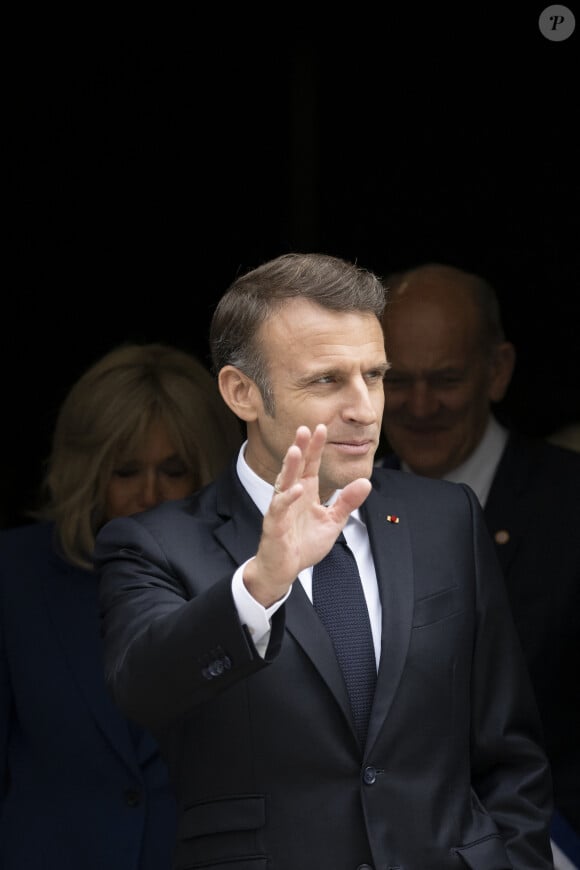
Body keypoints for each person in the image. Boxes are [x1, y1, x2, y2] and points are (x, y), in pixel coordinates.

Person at [95, 253, 555, 869]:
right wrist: (262, 582)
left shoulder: (446, 518)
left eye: (375, 374)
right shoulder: (154, 543)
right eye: (326, 381)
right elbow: (144, 687)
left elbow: (509, 751)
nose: (365, 408)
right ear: (242, 392)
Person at [0, 342, 244, 870]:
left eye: (174, 469)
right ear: (88, 473)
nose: (149, 494)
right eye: (126, 471)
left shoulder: (253, 581)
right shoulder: (15, 575)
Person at [377, 262, 580, 852]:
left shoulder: (568, 503)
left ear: (498, 371)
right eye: (396, 380)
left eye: (445, 380)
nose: (419, 406)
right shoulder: (331, 511)